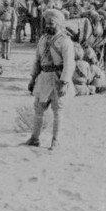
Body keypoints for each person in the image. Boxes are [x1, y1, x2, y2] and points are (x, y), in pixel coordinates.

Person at [24, 9, 76, 150]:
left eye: (51, 23)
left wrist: (65, 82)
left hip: (57, 79)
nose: (48, 26)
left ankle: (55, 140)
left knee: (57, 109)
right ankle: (35, 138)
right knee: (38, 108)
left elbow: (69, 63)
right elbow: (37, 60)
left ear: (58, 24)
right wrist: (33, 78)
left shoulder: (65, 41)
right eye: (47, 23)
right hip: (43, 78)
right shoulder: (42, 39)